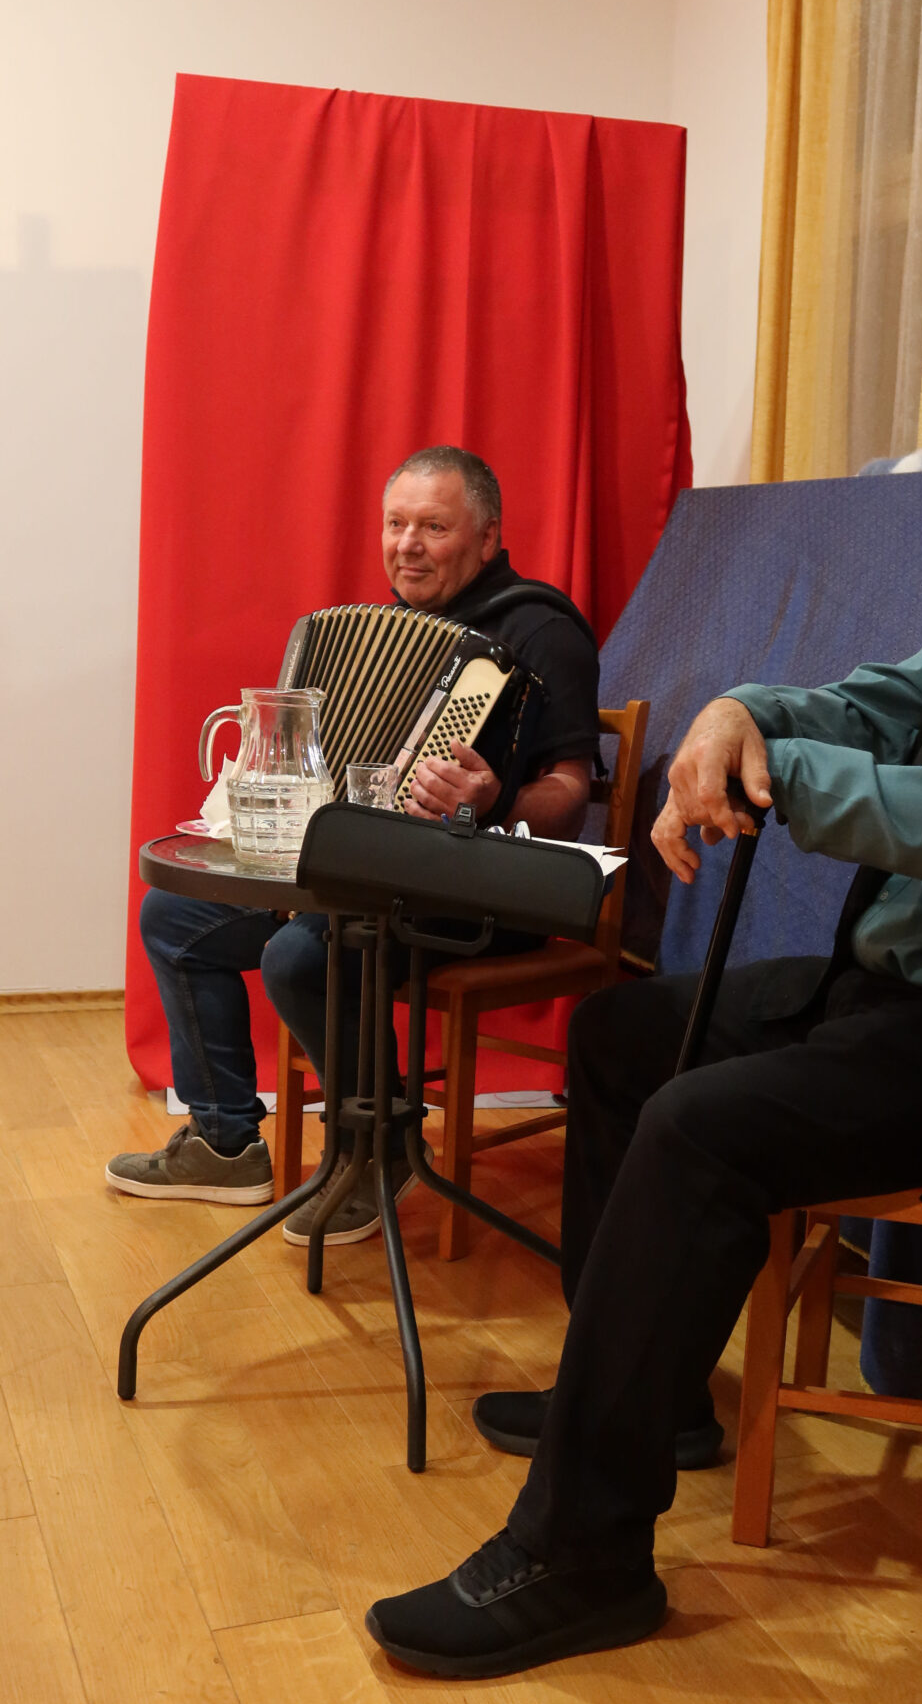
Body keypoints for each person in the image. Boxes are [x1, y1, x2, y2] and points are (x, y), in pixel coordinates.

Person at [361, 328, 922, 1682]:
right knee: (622, 1035)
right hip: (894, 996)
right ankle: (647, 1402)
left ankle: (583, 1553)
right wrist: (739, 710)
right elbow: (873, 702)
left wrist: (774, 774)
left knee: (697, 1130)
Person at [107, 446, 601, 1246]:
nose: (407, 545)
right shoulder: (382, 634)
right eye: (396, 524)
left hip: (480, 893)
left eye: (433, 527)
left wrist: (493, 799)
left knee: (301, 956)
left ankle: (380, 1147)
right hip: (362, 885)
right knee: (176, 917)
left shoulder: (542, 632)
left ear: (486, 538)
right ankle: (225, 1143)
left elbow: (571, 793)